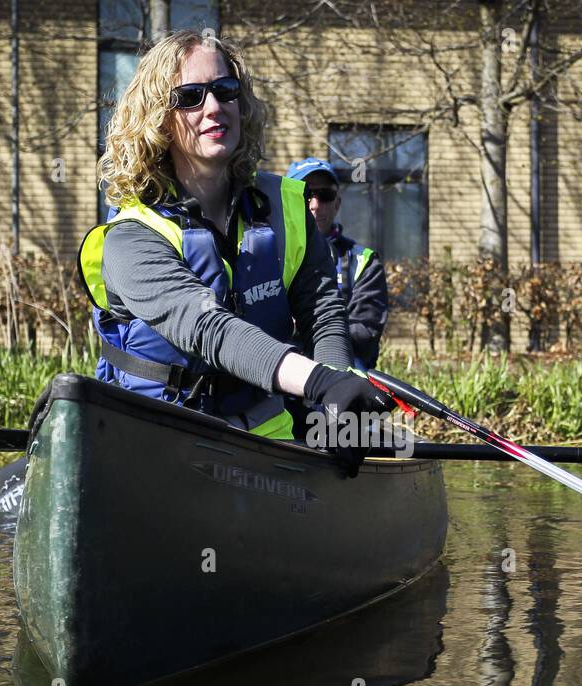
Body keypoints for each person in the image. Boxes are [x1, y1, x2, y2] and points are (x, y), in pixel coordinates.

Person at [76, 31, 393, 473]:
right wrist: (319, 382)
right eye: (189, 96)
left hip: (264, 439)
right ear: (159, 119)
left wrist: (336, 403)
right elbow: (208, 327)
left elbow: (321, 309)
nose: (213, 107)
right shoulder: (129, 238)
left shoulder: (287, 205)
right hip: (156, 438)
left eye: (225, 91)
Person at [285, 157, 389, 371]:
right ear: (286, 201)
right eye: (305, 195)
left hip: (341, 374)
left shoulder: (364, 261)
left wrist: (299, 330)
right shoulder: (266, 253)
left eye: (325, 195)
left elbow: (364, 334)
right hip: (281, 375)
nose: (315, 205)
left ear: (337, 203)